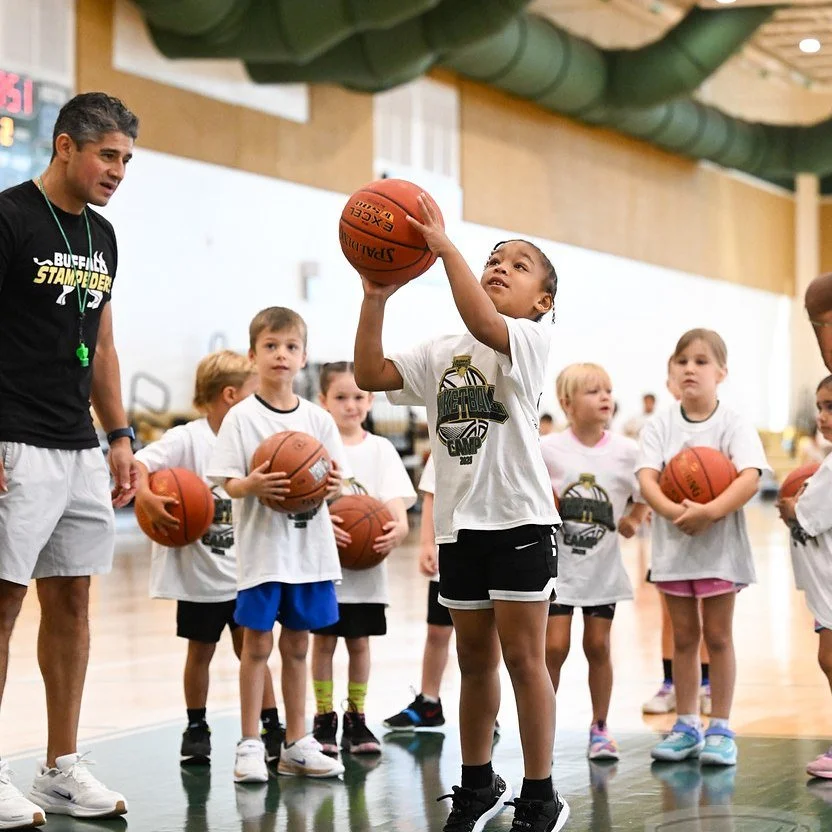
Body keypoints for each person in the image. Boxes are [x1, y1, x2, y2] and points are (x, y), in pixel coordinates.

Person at [354, 192, 569, 832]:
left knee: (525, 661)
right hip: (459, 527)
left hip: (522, 522)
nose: (500, 265)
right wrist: (376, 294)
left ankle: (541, 793)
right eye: (493, 258)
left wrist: (445, 248)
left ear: (543, 300)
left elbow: (483, 323)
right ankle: (477, 783)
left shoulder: (526, 339)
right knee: (473, 663)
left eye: (519, 264)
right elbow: (369, 371)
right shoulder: (442, 348)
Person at [0, 92, 139, 825]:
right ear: (64, 147)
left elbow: (104, 343)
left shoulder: (105, 238)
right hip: (13, 436)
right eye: (106, 155)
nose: (117, 170)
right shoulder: (8, 217)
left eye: (124, 159)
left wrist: (118, 436)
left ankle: (59, 765)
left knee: (73, 602)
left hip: (77, 442)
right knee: (3, 603)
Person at [207, 307, 347, 782]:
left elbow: (335, 481)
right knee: (255, 646)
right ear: (253, 355)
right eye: (270, 346)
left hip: (309, 555)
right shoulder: (241, 419)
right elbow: (226, 483)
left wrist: (328, 487)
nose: (280, 355)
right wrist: (255, 486)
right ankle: (250, 743)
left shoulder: (318, 420)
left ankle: (296, 743)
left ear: (303, 357)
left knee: (298, 648)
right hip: (264, 554)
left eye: (290, 347)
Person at [134, 351, 284, 765]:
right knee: (199, 652)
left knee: (254, 651)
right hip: (200, 577)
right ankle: (196, 725)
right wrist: (145, 495)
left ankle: (270, 724)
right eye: (254, 394)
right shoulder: (188, 438)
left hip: (246, 572)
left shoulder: (255, 438)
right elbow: (139, 464)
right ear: (231, 395)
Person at [637, 329, 769, 767]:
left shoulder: (732, 422)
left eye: (700, 361)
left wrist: (709, 511)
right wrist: (678, 513)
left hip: (720, 551)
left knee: (718, 636)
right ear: (672, 372)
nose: (689, 368)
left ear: (721, 373)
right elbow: (647, 481)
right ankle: (687, 724)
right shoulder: (659, 425)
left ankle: (721, 727)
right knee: (684, 639)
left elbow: (750, 477)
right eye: (682, 361)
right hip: (674, 551)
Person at [540, 363, 648, 761]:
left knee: (598, 645)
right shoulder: (547, 448)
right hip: (559, 570)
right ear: (567, 404)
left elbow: (645, 491)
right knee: (553, 647)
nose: (605, 397)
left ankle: (600, 726)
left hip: (603, 569)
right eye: (593, 391)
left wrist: (635, 519)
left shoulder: (627, 451)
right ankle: (543, 724)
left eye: (608, 389)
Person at [311, 362, 415, 755]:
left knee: (359, 644)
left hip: (367, 570)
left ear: (370, 400)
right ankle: (324, 718)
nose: (350, 405)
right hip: (325, 568)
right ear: (324, 401)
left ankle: (356, 717)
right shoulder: (314, 449)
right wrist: (323, 526)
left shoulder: (381, 449)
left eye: (358, 397)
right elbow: (306, 501)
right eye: (340, 397)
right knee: (323, 644)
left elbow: (394, 502)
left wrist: (401, 528)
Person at [643, 360, 711, 718]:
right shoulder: (660, 429)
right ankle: (670, 682)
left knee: (709, 617)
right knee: (670, 618)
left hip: (709, 539)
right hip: (669, 541)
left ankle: (707, 683)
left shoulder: (717, 427)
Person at [778, 375, 832, 779]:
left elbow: (805, 516)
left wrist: (788, 504)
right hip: (823, 585)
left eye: (831, 406)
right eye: (820, 406)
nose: (822, 416)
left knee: (829, 659)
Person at [383, 454, 453, 731]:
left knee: (485, 637)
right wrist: (426, 543)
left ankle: (488, 708)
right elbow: (431, 494)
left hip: (490, 550)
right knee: (437, 631)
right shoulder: (445, 433)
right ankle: (429, 702)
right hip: (448, 550)